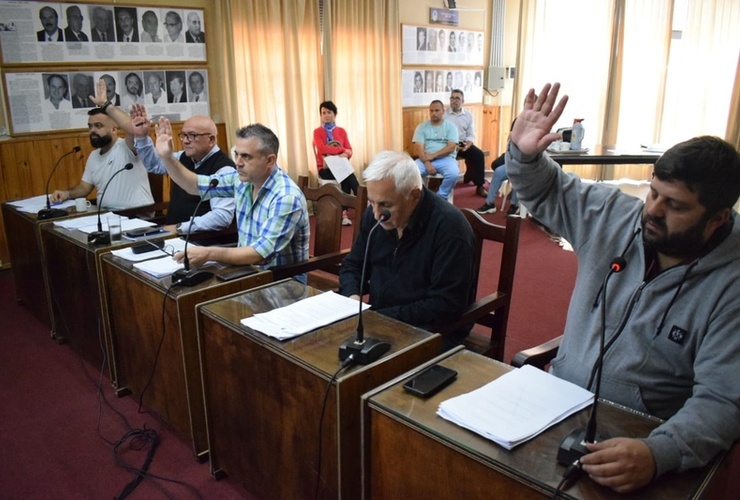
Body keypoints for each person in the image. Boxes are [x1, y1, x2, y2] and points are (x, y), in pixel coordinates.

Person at [506, 82, 740, 493]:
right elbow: (547, 189)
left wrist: (657, 453)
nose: (653, 211)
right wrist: (525, 156)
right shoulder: (616, 215)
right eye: (653, 193)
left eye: (676, 205)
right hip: (557, 410)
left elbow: (722, 401)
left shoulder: (732, 285)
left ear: (717, 219)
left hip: (639, 442)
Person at [338, 150, 476, 350]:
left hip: (430, 330)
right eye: (372, 202)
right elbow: (353, 265)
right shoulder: (376, 215)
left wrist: (378, 317)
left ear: (414, 196)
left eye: (385, 205)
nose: (376, 214)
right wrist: (353, 298)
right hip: (378, 321)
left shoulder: (450, 228)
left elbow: (445, 306)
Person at [152, 119, 310, 277]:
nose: (238, 163)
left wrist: (209, 253)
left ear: (270, 160)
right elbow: (195, 185)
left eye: (246, 157)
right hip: (247, 273)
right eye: (237, 154)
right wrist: (167, 157)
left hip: (280, 285)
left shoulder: (286, 197)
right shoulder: (242, 180)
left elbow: (259, 254)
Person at [96, 79, 236, 235]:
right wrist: (141, 137)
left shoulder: (224, 169)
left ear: (211, 140)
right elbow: (154, 165)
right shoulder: (184, 156)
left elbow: (221, 217)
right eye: (183, 135)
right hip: (171, 233)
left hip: (199, 241)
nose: (186, 140)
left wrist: (180, 228)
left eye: (193, 135)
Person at [50, 106, 153, 210]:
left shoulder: (127, 146)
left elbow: (133, 132)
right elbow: (84, 187)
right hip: (105, 215)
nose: (92, 130)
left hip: (135, 215)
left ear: (114, 129)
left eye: (98, 126)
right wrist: (66, 194)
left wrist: (106, 104)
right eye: (90, 126)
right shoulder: (93, 156)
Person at [312, 100, 360, 226]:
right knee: (347, 175)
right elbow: (322, 149)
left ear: (335, 114)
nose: (326, 115)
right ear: (321, 116)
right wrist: (342, 150)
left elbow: (350, 150)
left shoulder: (341, 131)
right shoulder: (317, 132)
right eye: (323, 113)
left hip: (341, 167)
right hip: (325, 169)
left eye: (329, 112)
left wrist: (346, 153)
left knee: (345, 175)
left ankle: (344, 213)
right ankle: (361, 200)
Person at [412, 100, 459, 201]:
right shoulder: (421, 127)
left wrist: (433, 155)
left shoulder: (451, 127)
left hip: (446, 159)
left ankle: (441, 197)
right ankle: (424, 197)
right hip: (425, 159)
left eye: (437, 110)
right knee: (411, 173)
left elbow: (451, 147)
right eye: (431, 111)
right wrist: (427, 163)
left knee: (454, 174)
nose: (434, 113)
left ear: (443, 111)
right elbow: (419, 148)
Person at [446, 89, 487, 197]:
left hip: (463, 143)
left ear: (463, 101)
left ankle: (480, 186)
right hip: (448, 145)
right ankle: (444, 185)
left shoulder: (468, 115)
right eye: (452, 98)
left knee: (478, 155)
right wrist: (452, 146)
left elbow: (470, 134)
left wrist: (468, 145)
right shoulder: (444, 115)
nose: (454, 101)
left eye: (457, 98)